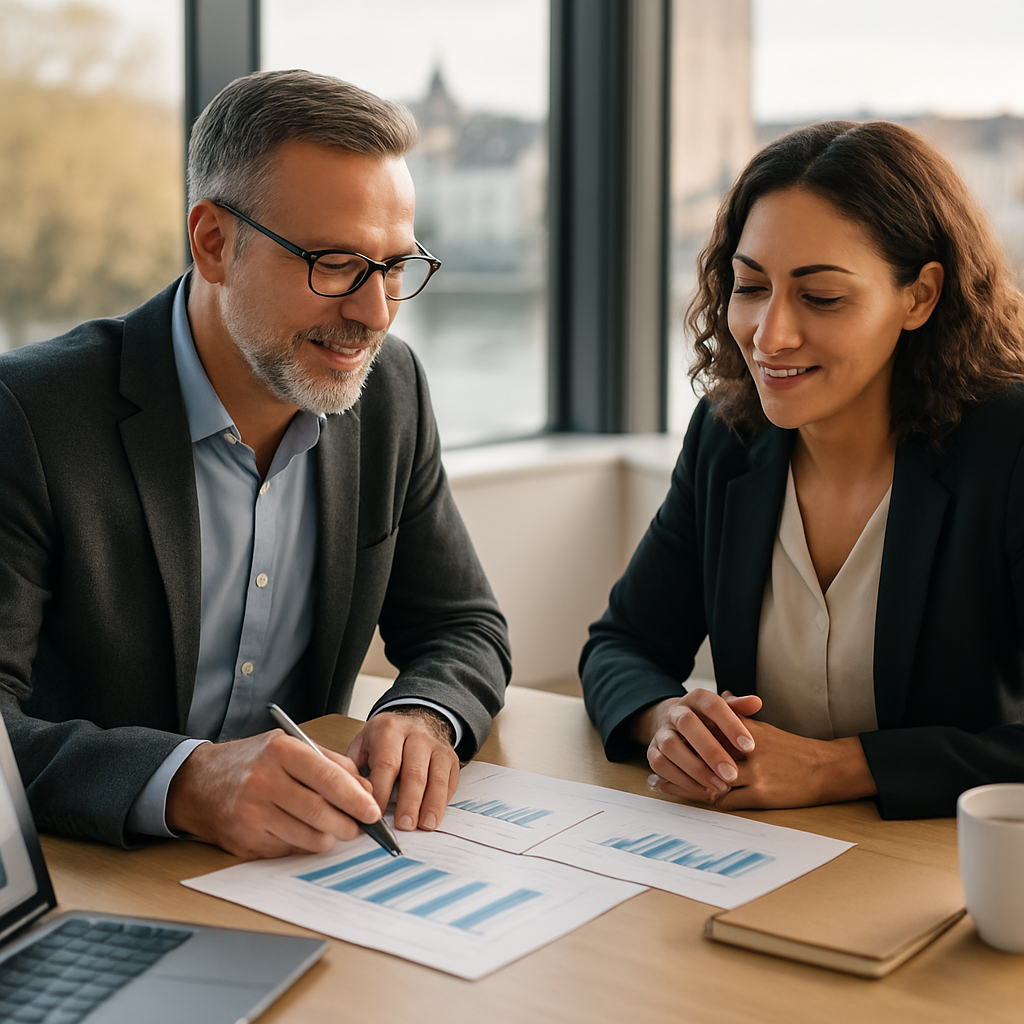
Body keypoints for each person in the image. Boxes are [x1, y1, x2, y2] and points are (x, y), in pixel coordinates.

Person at [0, 70, 511, 858]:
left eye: (394, 267)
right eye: (335, 263)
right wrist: (186, 782)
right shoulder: (31, 414)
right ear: (213, 243)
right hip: (97, 872)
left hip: (302, 871)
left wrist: (422, 714)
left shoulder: (391, 392)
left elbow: (461, 624)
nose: (375, 314)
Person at [580, 120, 1024, 820]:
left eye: (820, 297)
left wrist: (838, 767)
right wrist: (667, 720)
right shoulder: (727, 434)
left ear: (920, 296)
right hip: (764, 852)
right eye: (750, 286)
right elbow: (621, 645)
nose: (770, 334)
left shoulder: (1010, 445)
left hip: (953, 864)